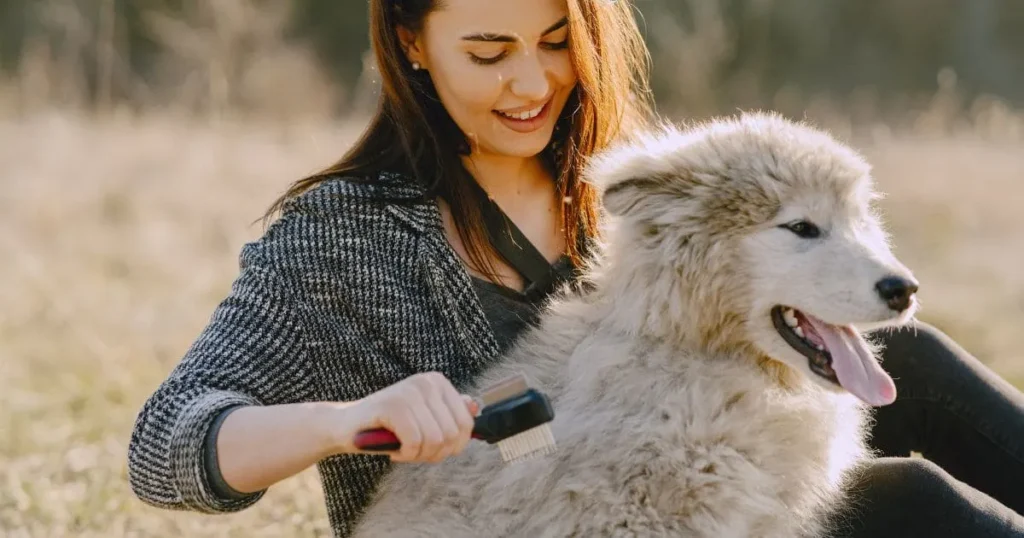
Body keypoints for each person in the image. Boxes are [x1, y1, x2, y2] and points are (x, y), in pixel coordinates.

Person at [125, 0, 1024, 536]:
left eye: (557, 39)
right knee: (908, 502)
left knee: (907, 358)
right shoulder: (345, 242)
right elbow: (167, 444)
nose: (531, 84)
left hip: (706, 481)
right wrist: (353, 421)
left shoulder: (632, 186)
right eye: (488, 52)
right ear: (410, 42)